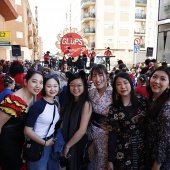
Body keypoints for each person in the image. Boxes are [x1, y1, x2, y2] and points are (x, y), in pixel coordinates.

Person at [0, 70, 43, 170]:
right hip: (7, 145)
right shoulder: (14, 100)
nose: (38, 85)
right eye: (34, 81)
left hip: (20, 143)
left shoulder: (33, 96)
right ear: (25, 82)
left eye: (41, 82)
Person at [107, 72, 147, 170]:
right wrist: (110, 160)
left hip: (143, 147)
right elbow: (113, 134)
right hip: (123, 150)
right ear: (115, 88)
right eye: (118, 84)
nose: (123, 87)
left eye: (125, 82)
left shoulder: (142, 100)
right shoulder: (114, 108)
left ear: (130, 83)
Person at [24, 73, 60, 170]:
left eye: (55, 86)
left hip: (50, 144)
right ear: (44, 87)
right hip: (38, 145)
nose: (52, 89)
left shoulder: (56, 103)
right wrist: (44, 143)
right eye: (48, 86)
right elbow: (27, 130)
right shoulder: (38, 105)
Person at [62, 70, 92, 170]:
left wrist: (68, 146)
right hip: (67, 140)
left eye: (79, 85)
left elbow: (82, 130)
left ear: (84, 86)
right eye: (72, 85)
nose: (75, 88)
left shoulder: (86, 104)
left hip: (78, 144)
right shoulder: (69, 102)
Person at [88, 64, 112, 170]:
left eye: (101, 75)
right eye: (94, 75)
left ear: (107, 76)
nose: (97, 79)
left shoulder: (115, 93)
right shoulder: (91, 92)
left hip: (108, 137)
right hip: (92, 135)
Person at [146, 66, 170, 170]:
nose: (157, 81)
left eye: (163, 79)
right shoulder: (153, 98)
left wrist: (157, 164)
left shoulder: (167, 106)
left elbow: (165, 139)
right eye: (154, 77)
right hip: (150, 153)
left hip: (160, 161)